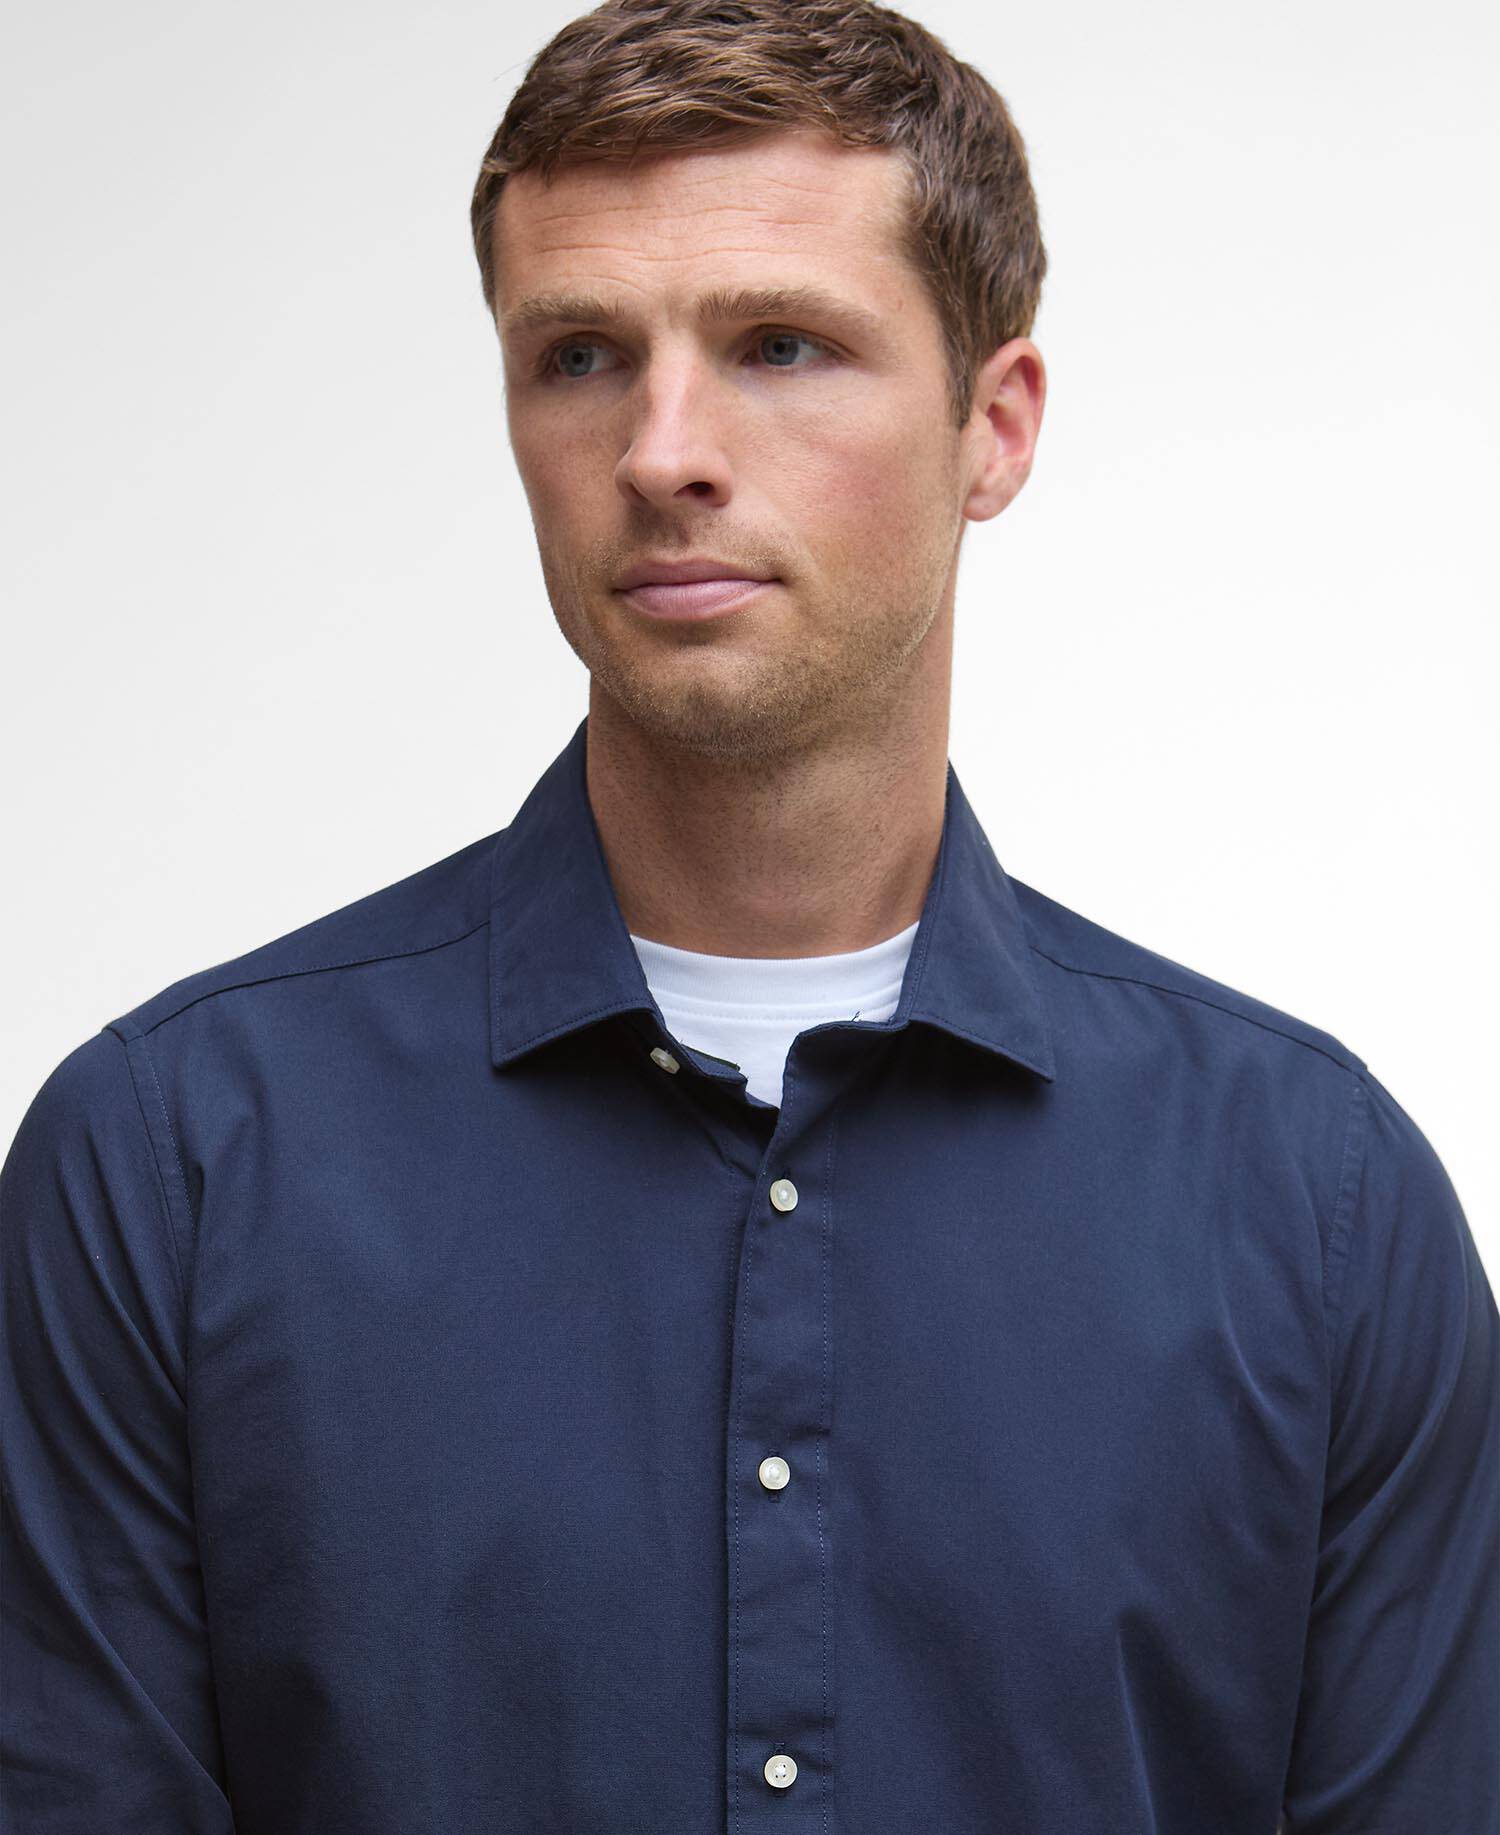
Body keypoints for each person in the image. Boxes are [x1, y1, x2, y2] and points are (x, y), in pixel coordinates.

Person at [3, 0, 1495, 1828]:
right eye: (579, 356)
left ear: (994, 426)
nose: (663, 451)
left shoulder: (1319, 1207)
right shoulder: (170, 1167)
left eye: (781, 345)